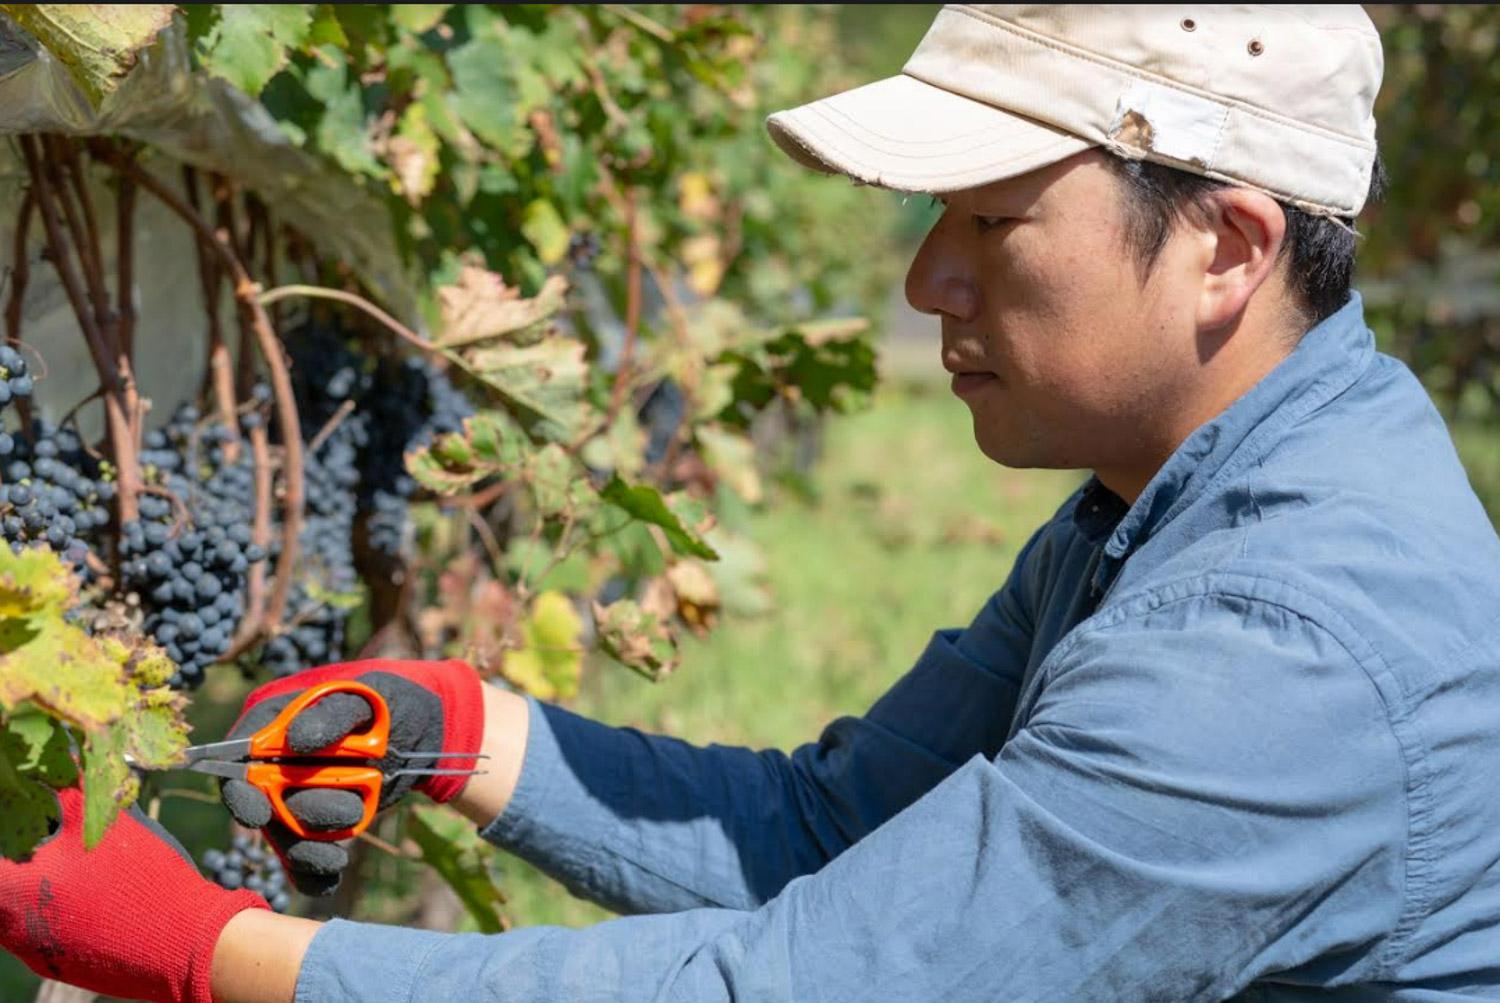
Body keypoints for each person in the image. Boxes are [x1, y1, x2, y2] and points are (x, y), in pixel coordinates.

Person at [5, 5, 1500, 1001]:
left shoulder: (1280, 641)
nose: (928, 281)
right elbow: (835, 834)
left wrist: (207, 950)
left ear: (1228, 247)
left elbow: (803, 988)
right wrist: (460, 725)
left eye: (992, 220)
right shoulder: (1168, 500)